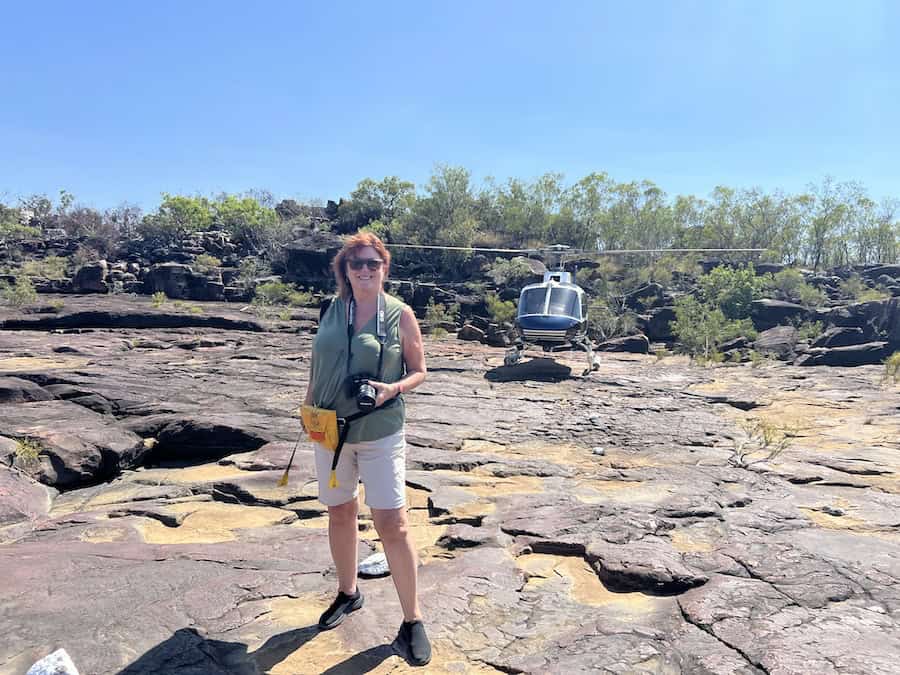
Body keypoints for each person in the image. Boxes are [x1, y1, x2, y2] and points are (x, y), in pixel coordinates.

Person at [303, 232, 431, 666]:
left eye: (372, 262)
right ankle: (348, 592)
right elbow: (317, 364)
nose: (364, 269)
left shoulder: (401, 315)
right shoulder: (330, 310)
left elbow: (419, 371)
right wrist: (308, 410)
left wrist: (391, 388)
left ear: (384, 268)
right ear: (344, 269)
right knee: (339, 511)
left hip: (379, 432)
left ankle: (413, 621)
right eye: (355, 262)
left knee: (392, 524)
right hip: (331, 432)